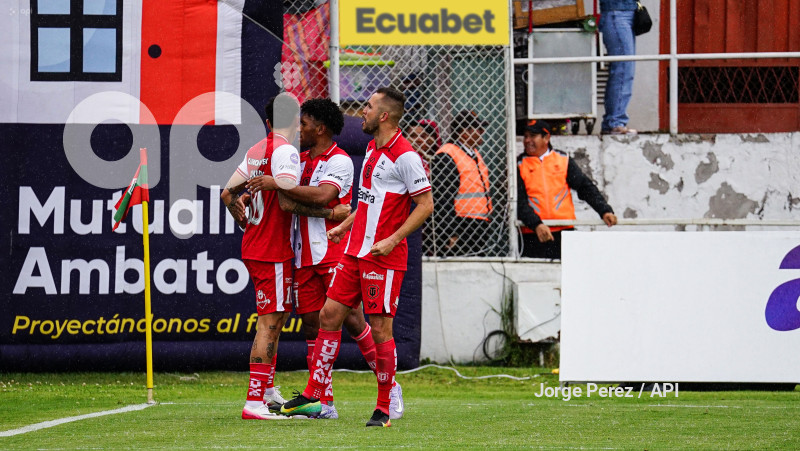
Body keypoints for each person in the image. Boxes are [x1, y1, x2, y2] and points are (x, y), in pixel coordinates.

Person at [280, 87, 433, 428]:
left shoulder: (406, 156)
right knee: (329, 315)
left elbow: (425, 205)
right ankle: (314, 394)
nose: (361, 112)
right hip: (353, 251)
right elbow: (367, 202)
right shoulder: (371, 150)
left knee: (379, 328)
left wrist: (393, 239)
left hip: (383, 256)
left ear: (384, 116)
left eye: (368, 106)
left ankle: (385, 404)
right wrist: (344, 227)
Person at [246, 98, 401, 420]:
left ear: (321, 128)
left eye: (303, 125)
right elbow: (288, 205)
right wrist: (327, 211)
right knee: (313, 326)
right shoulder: (297, 159)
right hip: (303, 254)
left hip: (333, 252)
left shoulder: (340, 161)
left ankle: (390, 386)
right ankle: (322, 401)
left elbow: (323, 194)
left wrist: (296, 193)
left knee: (354, 320)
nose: (298, 130)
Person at [220, 93, 302, 421]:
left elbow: (227, 192)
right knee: (270, 321)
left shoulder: (257, 149)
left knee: (275, 319)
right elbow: (290, 191)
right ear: (296, 120)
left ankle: (266, 391)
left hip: (255, 243)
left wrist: (238, 212)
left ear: (268, 122)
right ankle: (254, 402)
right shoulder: (286, 151)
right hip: (271, 248)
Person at [517, 120, 617, 259]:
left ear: (546, 138)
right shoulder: (518, 164)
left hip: (563, 231)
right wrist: (536, 224)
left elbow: (584, 187)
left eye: (532, 136)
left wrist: (604, 210)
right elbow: (518, 201)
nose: (527, 140)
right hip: (532, 233)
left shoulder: (562, 160)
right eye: (525, 136)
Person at [432, 110, 492, 256]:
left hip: (478, 221)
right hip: (461, 223)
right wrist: (449, 231)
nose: (482, 132)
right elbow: (442, 197)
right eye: (478, 128)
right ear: (464, 132)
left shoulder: (473, 153)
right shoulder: (447, 154)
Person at [599, 0, 638, 135]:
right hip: (617, 12)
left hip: (624, 11)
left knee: (624, 69)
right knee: (623, 69)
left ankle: (613, 121)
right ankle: (615, 122)